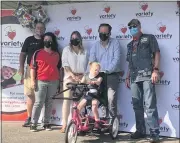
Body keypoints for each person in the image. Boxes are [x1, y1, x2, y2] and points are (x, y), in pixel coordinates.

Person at [125, 19, 160, 142]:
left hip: (147, 76)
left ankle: (154, 133)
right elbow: (130, 63)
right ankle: (140, 130)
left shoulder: (149, 38)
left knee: (150, 105)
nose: (132, 28)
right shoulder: (129, 45)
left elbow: (156, 53)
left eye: (135, 26)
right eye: (130, 27)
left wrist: (155, 70)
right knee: (137, 105)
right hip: (134, 78)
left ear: (140, 27)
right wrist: (128, 76)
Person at [29, 32, 61, 132]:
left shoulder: (57, 54)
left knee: (49, 103)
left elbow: (59, 68)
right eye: (46, 40)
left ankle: (46, 123)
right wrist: (33, 81)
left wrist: (59, 82)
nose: (47, 42)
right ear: (43, 41)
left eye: (50, 40)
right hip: (40, 81)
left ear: (53, 41)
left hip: (53, 81)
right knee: (38, 103)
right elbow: (33, 68)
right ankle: (33, 124)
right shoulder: (37, 53)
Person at [89, 23, 121, 119]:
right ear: (98, 32)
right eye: (101, 32)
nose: (103, 34)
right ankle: (102, 120)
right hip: (99, 75)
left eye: (105, 32)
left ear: (109, 33)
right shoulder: (95, 46)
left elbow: (116, 59)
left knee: (111, 98)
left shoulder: (115, 43)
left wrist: (106, 70)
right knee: (100, 98)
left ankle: (113, 121)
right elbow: (92, 61)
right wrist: (95, 72)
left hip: (111, 74)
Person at [60, 31, 89, 133]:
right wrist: (73, 76)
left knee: (80, 103)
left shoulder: (85, 51)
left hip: (82, 78)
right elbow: (65, 64)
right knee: (67, 101)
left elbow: (89, 65)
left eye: (76, 38)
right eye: (72, 38)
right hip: (69, 78)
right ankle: (64, 124)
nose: (74, 40)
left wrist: (82, 76)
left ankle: (77, 123)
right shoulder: (66, 50)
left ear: (80, 39)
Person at [19, 21, 46, 127]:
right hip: (29, 70)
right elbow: (22, 54)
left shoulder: (46, 40)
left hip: (42, 71)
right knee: (30, 96)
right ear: (34, 28)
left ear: (44, 29)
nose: (39, 29)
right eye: (38, 27)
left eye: (42, 28)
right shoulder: (28, 40)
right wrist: (21, 68)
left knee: (42, 96)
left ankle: (43, 119)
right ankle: (29, 118)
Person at [78, 62, 103, 129]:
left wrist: (94, 82)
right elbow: (81, 82)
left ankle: (97, 121)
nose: (97, 71)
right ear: (90, 69)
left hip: (96, 96)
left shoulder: (99, 77)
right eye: (95, 70)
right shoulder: (86, 75)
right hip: (88, 95)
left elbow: (98, 82)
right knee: (79, 107)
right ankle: (80, 120)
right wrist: (79, 82)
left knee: (94, 107)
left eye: (98, 70)